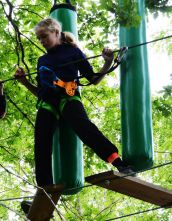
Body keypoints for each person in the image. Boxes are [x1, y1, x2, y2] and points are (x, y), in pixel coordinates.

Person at [14, 17, 134, 191]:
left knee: (84, 127)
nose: (41, 41)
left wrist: (107, 62)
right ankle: (45, 190)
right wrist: (25, 82)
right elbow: (40, 92)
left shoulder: (73, 52)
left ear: (56, 32)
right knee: (41, 143)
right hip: (47, 103)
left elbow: (93, 79)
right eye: (39, 39)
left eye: (44, 36)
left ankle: (119, 163)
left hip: (68, 98)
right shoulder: (42, 60)